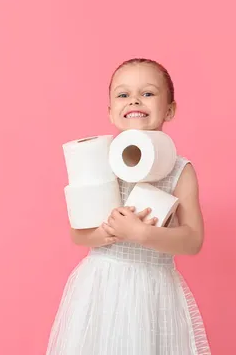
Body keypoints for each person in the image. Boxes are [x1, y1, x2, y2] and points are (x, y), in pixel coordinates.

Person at [46, 58, 211, 354]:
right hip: (101, 286)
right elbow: (78, 234)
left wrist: (141, 233)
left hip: (153, 290)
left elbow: (193, 240)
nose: (134, 99)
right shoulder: (98, 159)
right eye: (123, 95)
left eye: (147, 93)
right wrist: (110, 231)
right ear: (110, 112)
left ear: (170, 109)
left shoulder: (179, 170)